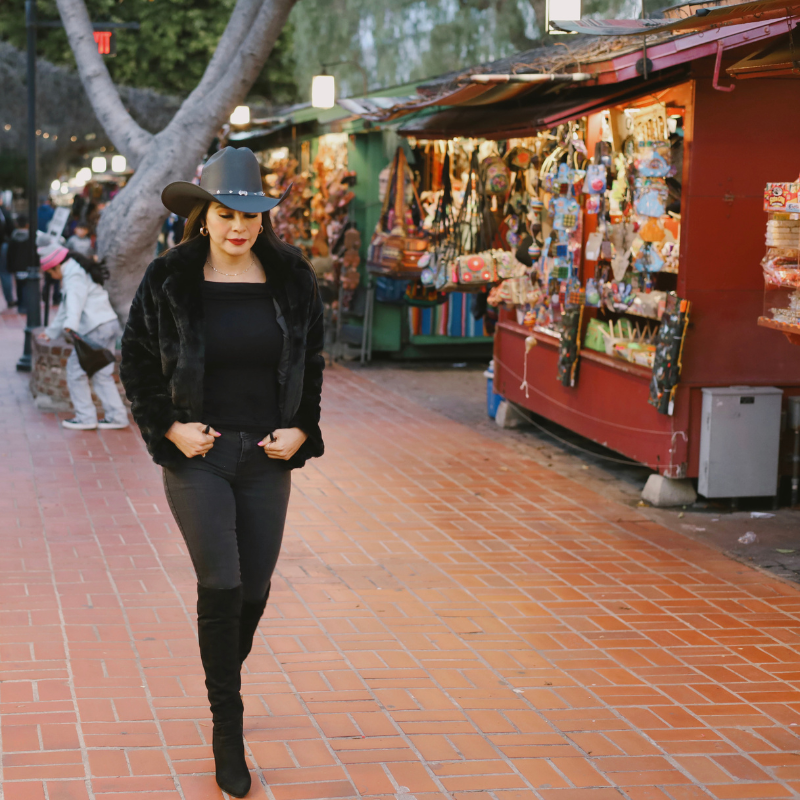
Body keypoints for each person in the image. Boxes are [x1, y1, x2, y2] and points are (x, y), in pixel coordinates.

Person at [119, 147, 324, 798]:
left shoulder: (292, 278)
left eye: (252, 213)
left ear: (264, 219)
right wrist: (168, 428)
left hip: (267, 457)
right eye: (226, 212)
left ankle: (221, 674)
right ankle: (226, 726)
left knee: (256, 589)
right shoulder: (171, 278)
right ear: (203, 216)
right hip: (198, 458)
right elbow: (137, 364)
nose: (239, 225)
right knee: (224, 581)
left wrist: (303, 429)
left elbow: (310, 362)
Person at [36, 238, 129, 431]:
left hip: (95, 329)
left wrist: (70, 326)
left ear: (55, 267)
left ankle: (86, 417)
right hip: (107, 325)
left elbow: (73, 305)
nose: (53, 277)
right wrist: (51, 332)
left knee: (75, 372)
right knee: (101, 375)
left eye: (51, 273)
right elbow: (66, 307)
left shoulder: (74, 276)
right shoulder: (76, 271)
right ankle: (117, 417)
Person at [7, 214, 31, 311]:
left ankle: (21, 305)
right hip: (28, 266)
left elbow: (10, 254)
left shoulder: (13, 237)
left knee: (19, 285)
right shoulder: (31, 237)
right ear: (27, 224)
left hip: (17, 266)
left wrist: (10, 267)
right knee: (26, 286)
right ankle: (25, 305)